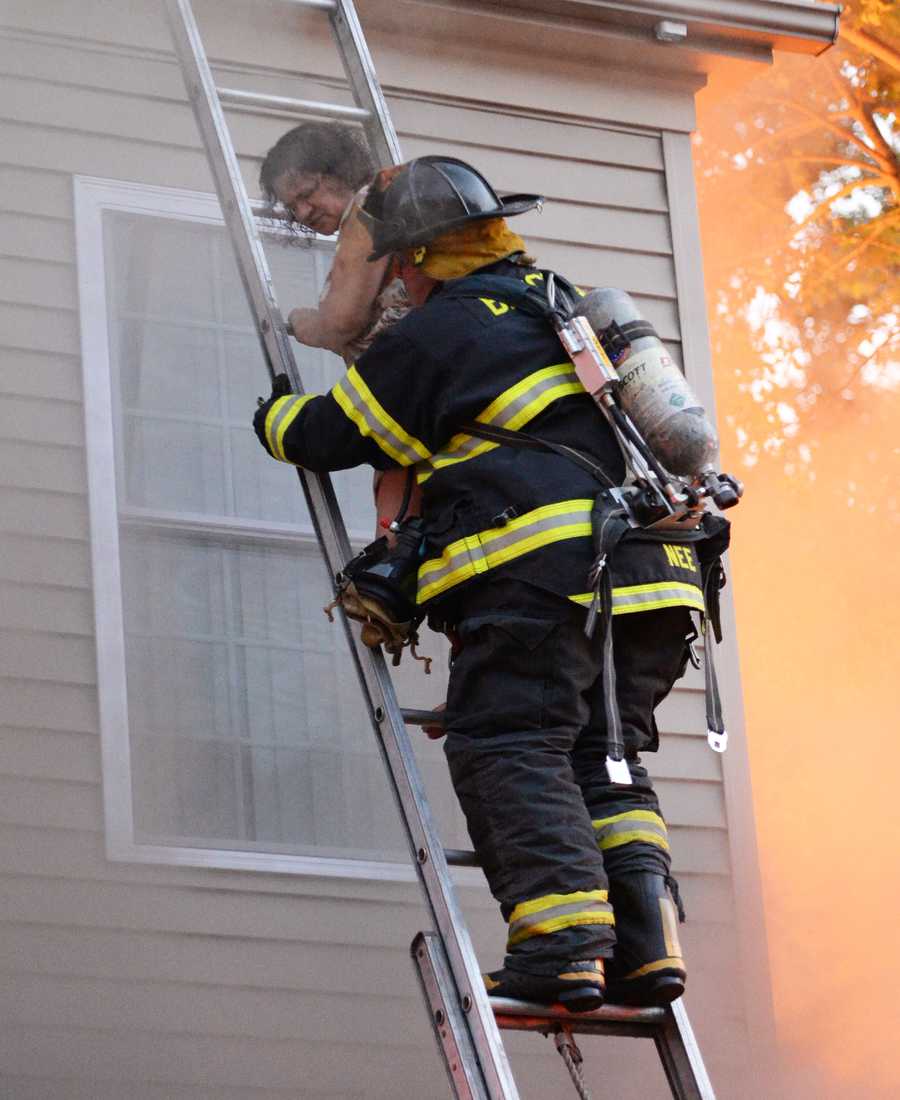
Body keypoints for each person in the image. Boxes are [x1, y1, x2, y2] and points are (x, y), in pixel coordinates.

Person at [252, 156, 717, 1012]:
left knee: (509, 744)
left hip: (547, 577)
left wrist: (273, 415)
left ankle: (562, 947)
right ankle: (647, 946)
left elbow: (331, 431)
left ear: (416, 260)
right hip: (657, 575)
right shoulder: (560, 302)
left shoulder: (440, 331)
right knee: (604, 757)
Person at [259, 121, 415, 528]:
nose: (303, 212)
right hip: (424, 411)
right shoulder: (395, 209)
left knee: (402, 545)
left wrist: (298, 323)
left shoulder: (371, 206)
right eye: (292, 206)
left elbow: (341, 323)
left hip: (413, 404)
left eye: (307, 194)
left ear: (341, 171)